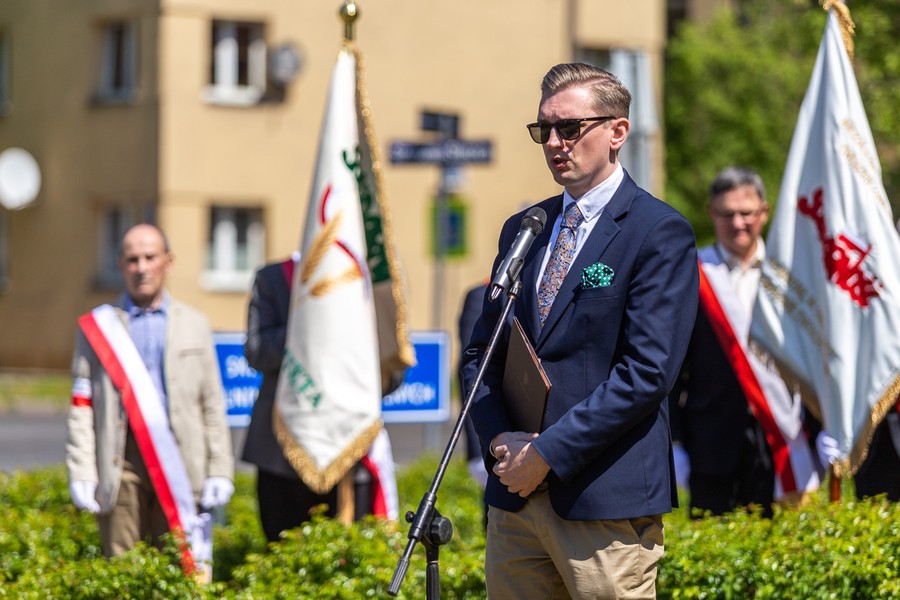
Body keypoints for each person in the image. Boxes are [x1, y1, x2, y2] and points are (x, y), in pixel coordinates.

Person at [461, 62, 699, 599]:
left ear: (617, 131)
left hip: (603, 504)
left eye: (570, 128)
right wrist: (500, 441)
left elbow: (647, 373)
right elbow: (482, 352)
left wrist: (547, 453)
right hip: (516, 502)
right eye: (543, 130)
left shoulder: (658, 232)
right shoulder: (526, 228)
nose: (553, 142)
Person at [67, 224, 234, 558]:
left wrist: (220, 469)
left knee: (178, 564)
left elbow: (212, 403)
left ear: (168, 261)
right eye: (132, 259)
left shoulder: (195, 323)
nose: (141, 268)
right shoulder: (99, 327)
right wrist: (82, 470)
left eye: (149, 257)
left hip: (182, 462)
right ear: (121, 265)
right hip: (121, 461)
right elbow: (82, 407)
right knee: (122, 567)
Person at [669, 167, 819, 518]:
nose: (738, 223)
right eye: (726, 214)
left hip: (784, 439)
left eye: (746, 213)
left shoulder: (790, 276)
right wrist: (673, 444)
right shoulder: (691, 273)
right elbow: (672, 368)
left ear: (764, 212)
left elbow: (817, 360)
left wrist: (823, 432)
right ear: (711, 215)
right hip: (710, 444)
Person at [242, 254, 398, 544]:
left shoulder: (370, 280)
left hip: (349, 451)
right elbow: (258, 352)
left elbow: (393, 373)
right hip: (281, 453)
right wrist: (312, 319)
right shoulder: (273, 278)